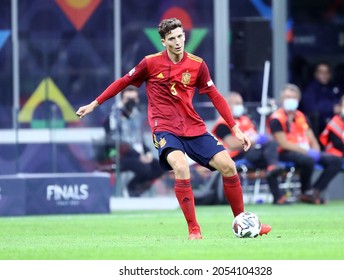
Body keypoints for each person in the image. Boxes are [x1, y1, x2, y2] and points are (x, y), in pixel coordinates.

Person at [76, 18, 271, 239]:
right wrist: (94, 104)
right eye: (172, 39)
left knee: (228, 165)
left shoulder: (197, 64)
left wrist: (234, 128)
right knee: (180, 166)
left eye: (180, 36)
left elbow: (216, 96)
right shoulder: (150, 63)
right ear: (163, 42)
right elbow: (122, 82)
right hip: (165, 128)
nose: (177, 42)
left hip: (193, 126)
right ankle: (194, 229)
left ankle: (242, 222)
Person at [269, 83, 343, 204]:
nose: (290, 100)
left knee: (336, 161)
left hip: (306, 150)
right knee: (308, 160)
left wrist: (316, 151)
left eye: (293, 97)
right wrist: (307, 152)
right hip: (285, 152)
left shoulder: (301, 116)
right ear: (282, 99)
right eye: (287, 97)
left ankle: (314, 191)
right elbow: (283, 143)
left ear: (298, 100)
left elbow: (312, 138)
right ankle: (305, 190)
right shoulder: (276, 118)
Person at [211, 91, 288, 205]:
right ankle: (273, 168)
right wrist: (255, 140)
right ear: (227, 105)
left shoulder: (245, 119)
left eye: (240, 103)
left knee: (271, 157)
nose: (240, 106)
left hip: (253, 152)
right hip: (237, 155)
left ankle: (278, 194)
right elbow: (232, 144)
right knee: (270, 153)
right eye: (236, 103)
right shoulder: (223, 123)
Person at [103, 86, 164, 197]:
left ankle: (136, 190)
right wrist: (138, 155)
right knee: (144, 168)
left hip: (138, 154)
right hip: (120, 155)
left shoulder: (137, 115)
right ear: (122, 99)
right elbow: (114, 141)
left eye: (134, 99)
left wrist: (148, 152)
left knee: (160, 166)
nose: (131, 102)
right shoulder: (114, 116)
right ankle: (131, 188)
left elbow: (140, 138)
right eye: (128, 99)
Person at [300, 62, 342, 137]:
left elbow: (340, 101)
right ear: (316, 74)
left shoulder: (334, 86)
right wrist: (331, 107)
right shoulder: (310, 88)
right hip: (317, 128)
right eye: (321, 72)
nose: (324, 75)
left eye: (327, 72)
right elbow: (310, 107)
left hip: (334, 127)